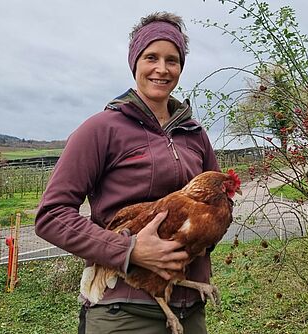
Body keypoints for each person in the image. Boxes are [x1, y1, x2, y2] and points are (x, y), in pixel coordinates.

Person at [35, 11, 219, 334]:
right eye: (151, 57)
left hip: (189, 313)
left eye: (172, 60)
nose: (162, 69)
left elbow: (219, 207)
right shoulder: (101, 129)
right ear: (135, 63)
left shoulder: (195, 134)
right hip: (124, 312)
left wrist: (201, 237)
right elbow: (51, 215)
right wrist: (129, 250)